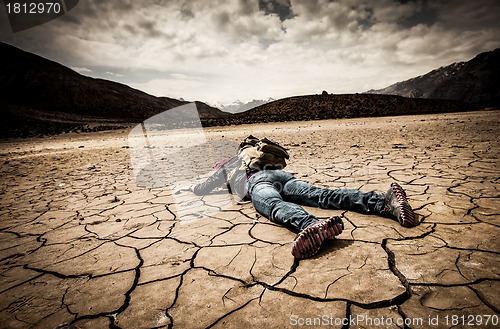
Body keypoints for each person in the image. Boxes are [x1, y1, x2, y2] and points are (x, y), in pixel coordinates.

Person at [184, 144, 416, 259]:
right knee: (323, 195)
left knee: (273, 205)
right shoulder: (252, 157)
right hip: (282, 176)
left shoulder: (228, 165)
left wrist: (193, 187)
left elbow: (205, 187)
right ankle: (384, 201)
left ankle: (309, 225)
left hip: (258, 182)